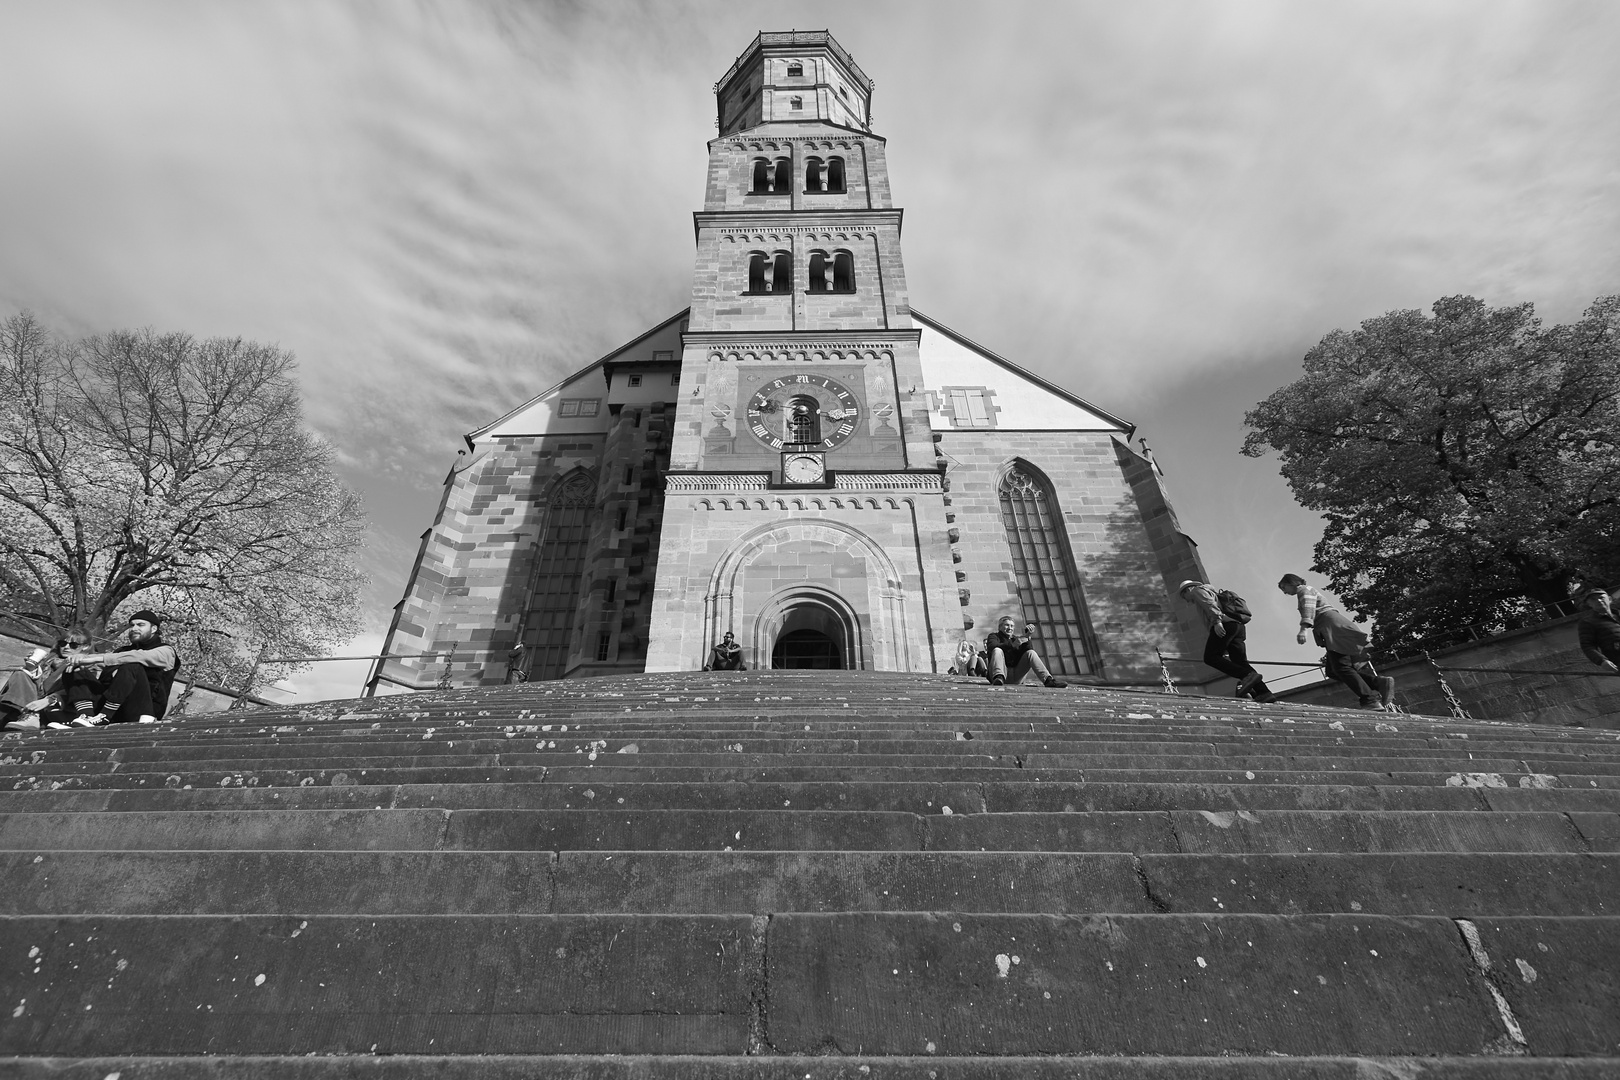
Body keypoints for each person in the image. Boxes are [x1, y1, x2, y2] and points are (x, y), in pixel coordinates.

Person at [1277, 573, 1392, 710]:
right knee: (1333, 670)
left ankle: (1370, 699)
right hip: (1331, 626)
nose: (1285, 592)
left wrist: (1303, 629)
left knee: (1341, 667)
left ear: (1291, 582)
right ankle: (1377, 683)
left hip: (1332, 626)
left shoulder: (1304, 590)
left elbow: (1309, 607)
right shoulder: (1306, 590)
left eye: (1284, 588)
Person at [53, 610, 181, 728]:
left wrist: (98, 659)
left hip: (141, 710)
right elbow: (99, 663)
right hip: (110, 706)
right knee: (76, 669)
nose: (134, 629)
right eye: (131, 625)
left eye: (140, 625)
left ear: (153, 629)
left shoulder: (166, 651)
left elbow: (140, 656)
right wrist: (81, 660)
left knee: (132, 665)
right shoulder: (121, 651)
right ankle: (86, 716)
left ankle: (104, 716)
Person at [1178, 580, 1275, 702]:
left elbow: (1209, 605)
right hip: (1237, 626)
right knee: (1240, 662)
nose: (1186, 600)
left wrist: (1217, 622)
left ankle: (1247, 676)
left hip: (1224, 624)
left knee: (1210, 657)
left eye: (1184, 596)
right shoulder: (1210, 591)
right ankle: (1264, 692)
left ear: (1188, 590)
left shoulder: (1197, 591)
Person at [1, 637, 80, 732]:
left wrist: (52, 698)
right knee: (20, 674)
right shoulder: (48, 660)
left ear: (85, 647)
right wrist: (31, 668)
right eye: (63, 643)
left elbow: (80, 690)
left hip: (57, 706)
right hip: (28, 702)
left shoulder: (86, 665)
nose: (66, 647)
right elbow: (39, 687)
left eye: (73, 645)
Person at [984, 616, 1067, 688]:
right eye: (1007, 625)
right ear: (1000, 627)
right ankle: (999, 676)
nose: (1010, 628)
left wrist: (1027, 637)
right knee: (997, 650)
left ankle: (1048, 680)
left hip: (1016, 675)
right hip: (997, 675)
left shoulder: (1017, 639)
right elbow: (992, 646)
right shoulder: (993, 636)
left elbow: (1028, 651)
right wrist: (1012, 645)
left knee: (1031, 653)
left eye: (1012, 626)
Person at [1577, 585, 1620, 672]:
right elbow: (1587, 646)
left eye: (1601, 597)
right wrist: (1602, 661)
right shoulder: (1588, 622)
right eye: (1593, 599)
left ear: (1609, 599)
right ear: (1589, 604)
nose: (1599, 601)